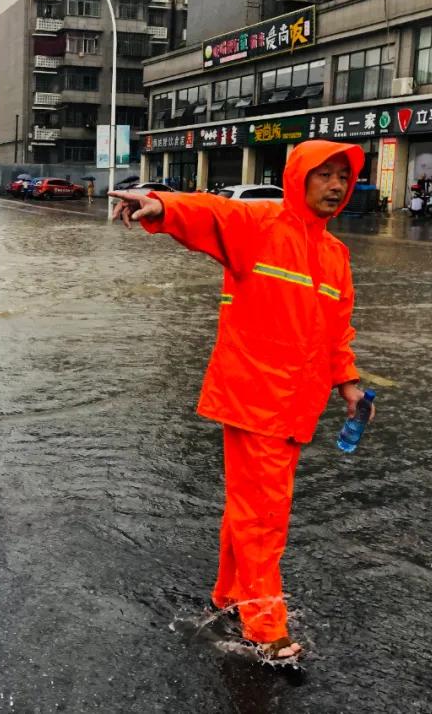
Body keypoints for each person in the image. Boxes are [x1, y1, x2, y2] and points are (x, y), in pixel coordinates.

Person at [109, 140, 375, 663]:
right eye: (325, 174)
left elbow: (335, 332)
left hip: (294, 405)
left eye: (344, 177)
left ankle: (229, 595)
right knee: (265, 516)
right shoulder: (260, 226)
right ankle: (264, 626)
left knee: (250, 510)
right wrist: (161, 205)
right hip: (256, 399)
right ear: (300, 177)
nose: (336, 185)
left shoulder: (335, 256)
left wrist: (348, 384)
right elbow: (212, 212)